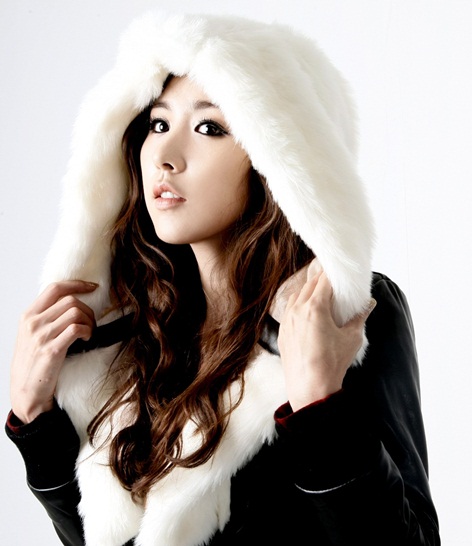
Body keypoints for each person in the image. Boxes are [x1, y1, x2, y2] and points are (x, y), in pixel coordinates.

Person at [6, 11, 440, 546]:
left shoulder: (341, 315)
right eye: (158, 124)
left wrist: (319, 408)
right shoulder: (140, 336)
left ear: (277, 159)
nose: (165, 157)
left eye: (209, 128)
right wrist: (35, 420)